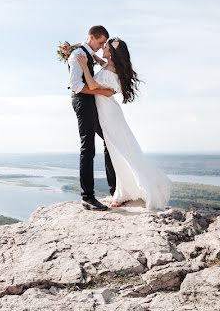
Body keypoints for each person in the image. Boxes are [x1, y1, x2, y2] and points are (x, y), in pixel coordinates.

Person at [75, 37, 171, 210]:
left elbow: (92, 84)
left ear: (111, 52)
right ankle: (124, 190)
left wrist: (83, 65)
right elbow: (105, 66)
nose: (102, 47)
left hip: (109, 115)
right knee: (118, 150)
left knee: (118, 151)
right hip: (107, 113)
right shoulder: (111, 66)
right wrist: (95, 58)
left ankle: (123, 193)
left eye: (105, 46)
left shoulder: (111, 70)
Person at [68, 25, 117, 211]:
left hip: (91, 102)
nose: (102, 45)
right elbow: (76, 86)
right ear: (91, 37)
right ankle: (87, 197)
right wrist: (104, 92)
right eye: (101, 42)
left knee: (109, 139)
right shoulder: (77, 55)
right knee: (87, 146)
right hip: (83, 102)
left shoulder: (85, 52)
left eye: (104, 43)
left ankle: (114, 189)